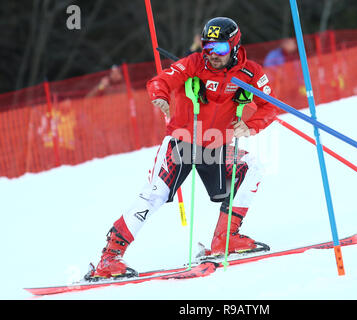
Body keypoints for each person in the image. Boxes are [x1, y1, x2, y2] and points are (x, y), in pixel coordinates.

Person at [90, 17, 278, 279]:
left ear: (235, 46)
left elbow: (271, 105)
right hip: (182, 142)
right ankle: (108, 259)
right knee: (154, 195)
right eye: (208, 47)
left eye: (220, 49)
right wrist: (160, 96)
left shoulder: (250, 73)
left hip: (217, 145)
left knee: (252, 167)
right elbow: (160, 81)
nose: (212, 55)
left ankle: (226, 238)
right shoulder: (193, 63)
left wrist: (251, 126)